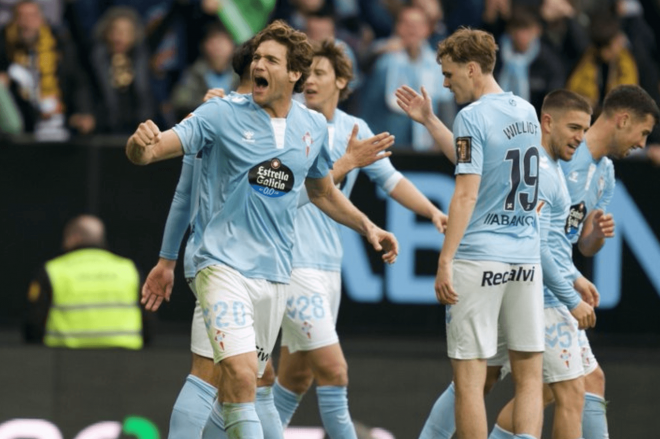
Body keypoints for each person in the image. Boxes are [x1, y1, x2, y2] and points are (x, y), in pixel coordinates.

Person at [126, 20, 398, 439]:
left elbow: (323, 191)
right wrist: (139, 145)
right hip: (220, 265)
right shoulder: (218, 113)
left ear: (294, 74)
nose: (259, 64)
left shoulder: (310, 128)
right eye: (257, 57)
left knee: (223, 380)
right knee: (241, 373)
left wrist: (367, 226)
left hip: (273, 275)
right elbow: (152, 152)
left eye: (271, 59)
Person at [270, 39, 448, 438]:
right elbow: (295, 187)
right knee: (334, 370)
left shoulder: (355, 128)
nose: (309, 81)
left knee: (297, 377)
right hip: (291, 264)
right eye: (306, 74)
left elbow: (391, 180)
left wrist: (433, 211)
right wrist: (347, 161)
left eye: (320, 73)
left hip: (328, 267)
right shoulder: (289, 123)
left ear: (342, 81)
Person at [399, 27, 545, 439]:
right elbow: (476, 163)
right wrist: (429, 120)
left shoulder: (471, 116)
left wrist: (445, 260)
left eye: (448, 74)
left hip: (479, 257)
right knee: (530, 376)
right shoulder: (526, 111)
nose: (445, 83)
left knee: (469, 380)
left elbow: (465, 193)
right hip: (524, 259)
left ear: (472, 68)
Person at [139, 39, 254, 439]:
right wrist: (167, 260)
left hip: (261, 267)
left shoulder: (287, 123)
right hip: (219, 262)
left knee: (242, 381)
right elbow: (185, 192)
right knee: (213, 374)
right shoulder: (215, 114)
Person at [484, 90, 596, 439]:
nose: (580, 137)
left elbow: (545, 239)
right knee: (568, 392)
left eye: (584, 130)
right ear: (546, 123)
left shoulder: (542, 165)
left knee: (478, 384)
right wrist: (569, 296)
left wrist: (573, 276)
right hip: (538, 295)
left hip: (519, 286)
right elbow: (537, 243)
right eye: (574, 127)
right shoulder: (543, 172)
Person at [557, 84, 658, 439]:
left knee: (587, 381)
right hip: (541, 280)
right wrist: (571, 284)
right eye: (643, 133)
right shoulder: (564, 153)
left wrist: (596, 233)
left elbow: (582, 246)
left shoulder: (606, 174)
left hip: (557, 279)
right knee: (549, 388)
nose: (643, 144)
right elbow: (540, 232)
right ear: (624, 119)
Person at [24, 215, 144, 349]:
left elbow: (35, 321)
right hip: (126, 358)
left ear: (74, 237)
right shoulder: (129, 269)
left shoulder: (53, 270)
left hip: (63, 359)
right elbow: (148, 316)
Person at [0, 0, 95, 139]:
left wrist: (83, 112)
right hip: (22, 128)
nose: (27, 23)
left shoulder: (60, 44)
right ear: (14, 21)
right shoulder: (4, 47)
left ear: (41, 19)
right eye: (21, 17)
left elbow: (78, 81)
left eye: (32, 16)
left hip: (61, 123)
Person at [90, 6, 155, 135]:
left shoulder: (141, 59)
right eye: (115, 31)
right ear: (106, 33)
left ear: (134, 35)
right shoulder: (95, 59)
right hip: (104, 130)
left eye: (126, 32)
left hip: (138, 129)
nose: (119, 37)